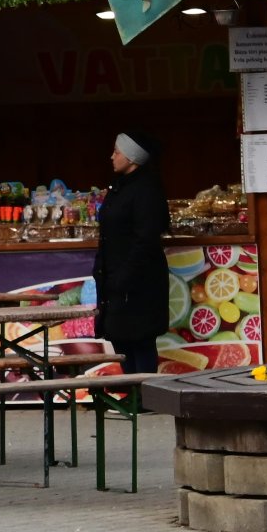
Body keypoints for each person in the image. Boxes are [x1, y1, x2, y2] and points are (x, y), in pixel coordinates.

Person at [94, 130, 171, 374]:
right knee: (122, 337)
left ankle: (146, 395)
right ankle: (133, 394)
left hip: (138, 280)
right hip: (118, 277)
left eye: (117, 152)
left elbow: (145, 238)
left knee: (141, 338)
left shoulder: (146, 190)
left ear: (132, 157)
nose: (111, 156)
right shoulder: (121, 187)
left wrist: (124, 276)